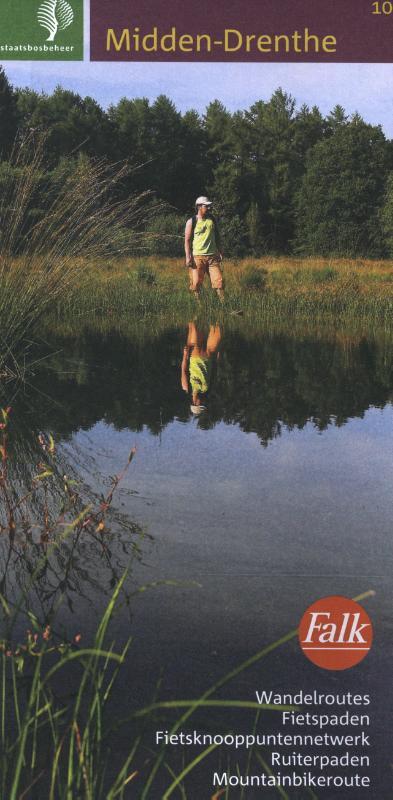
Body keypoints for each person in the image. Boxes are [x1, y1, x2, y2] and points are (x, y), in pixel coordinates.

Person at [184, 196, 224, 301]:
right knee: (196, 283)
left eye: (209, 206)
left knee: (219, 281)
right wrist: (188, 257)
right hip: (197, 257)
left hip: (212, 257)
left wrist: (220, 251)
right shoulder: (191, 221)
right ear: (199, 207)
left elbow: (218, 236)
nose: (209, 208)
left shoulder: (212, 220)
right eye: (206, 206)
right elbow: (187, 241)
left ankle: (223, 305)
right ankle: (199, 305)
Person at [181, 320, 222, 415]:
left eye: (201, 404)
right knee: (218, 329)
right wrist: (217, 361)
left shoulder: (187, 387)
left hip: (195, 355)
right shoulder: (206, 390)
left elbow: (183, 370)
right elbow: (214, 373)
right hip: (208, 355)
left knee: (194, 325)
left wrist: (185, 355)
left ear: (194, 403)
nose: (203, 402)